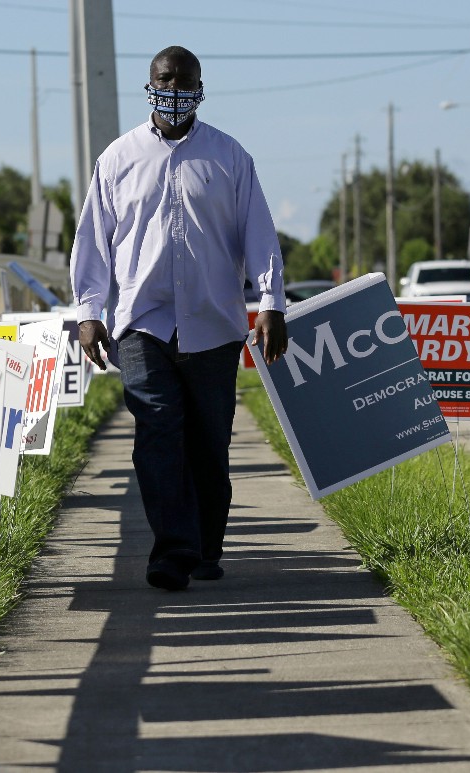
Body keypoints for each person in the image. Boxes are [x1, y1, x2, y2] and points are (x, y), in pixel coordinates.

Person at [70, 45, 288, 591]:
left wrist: (271, 303)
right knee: (158, 431)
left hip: (213, 325)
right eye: (165, 80)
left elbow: (259, 235)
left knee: (209, 444)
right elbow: (94, 242)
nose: (174, 90)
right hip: (142, 323)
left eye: (184, 81)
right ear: (149, 84)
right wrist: (88, 312)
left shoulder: (229, 157)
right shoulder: (118, 159)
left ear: (199, 85)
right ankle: (172, 550)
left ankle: (206, 544)